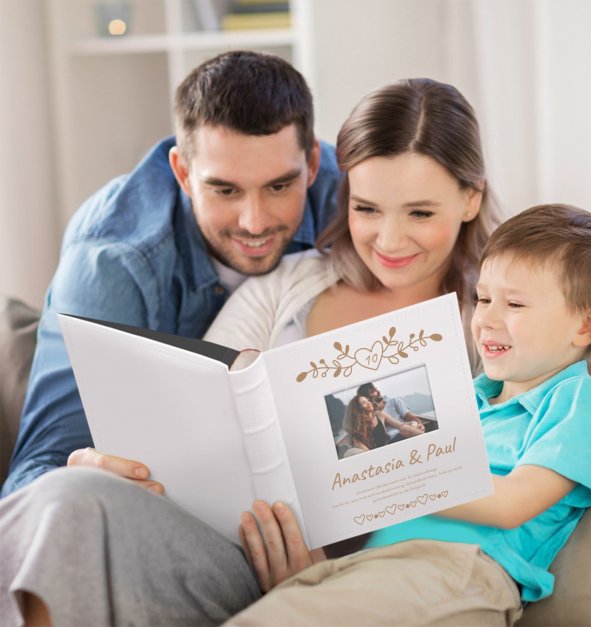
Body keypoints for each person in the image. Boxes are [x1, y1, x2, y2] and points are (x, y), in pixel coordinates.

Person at [0, 77, 501, 626]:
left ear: (470, 198)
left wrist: (321, 577)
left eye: (420, 214)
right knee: (70, 498)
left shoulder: (491, 323)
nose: (388, 239)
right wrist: (110, 464)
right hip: (216, 546)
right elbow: (188, 408)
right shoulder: (289, 282)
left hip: (360, 580)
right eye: (367, 209)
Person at [224, 204, 591, 626]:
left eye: (515, 304)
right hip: (373, 565)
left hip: (460, 571)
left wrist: (389, 474)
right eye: (483, 298)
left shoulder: (581, 398)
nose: (486, 318)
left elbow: (512, 503)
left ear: (586, 325)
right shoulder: (467, 394)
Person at [1, 50, 340, 497]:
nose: (254, 222)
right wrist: (79, 482)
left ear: (312, 163)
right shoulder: (113, 263)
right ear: (182, 172)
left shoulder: (355, 201)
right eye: (224, 189)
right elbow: (31, 478)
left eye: (279, 186)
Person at [356, 380, 428, 440]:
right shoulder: (369, 412)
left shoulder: (393, 401)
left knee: (408, 427)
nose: (377, 391)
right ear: (367, 396)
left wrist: (420, 424)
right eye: (372, 391)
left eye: (375, 389)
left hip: (407, 431)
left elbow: (410, 417)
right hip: (392, 439)